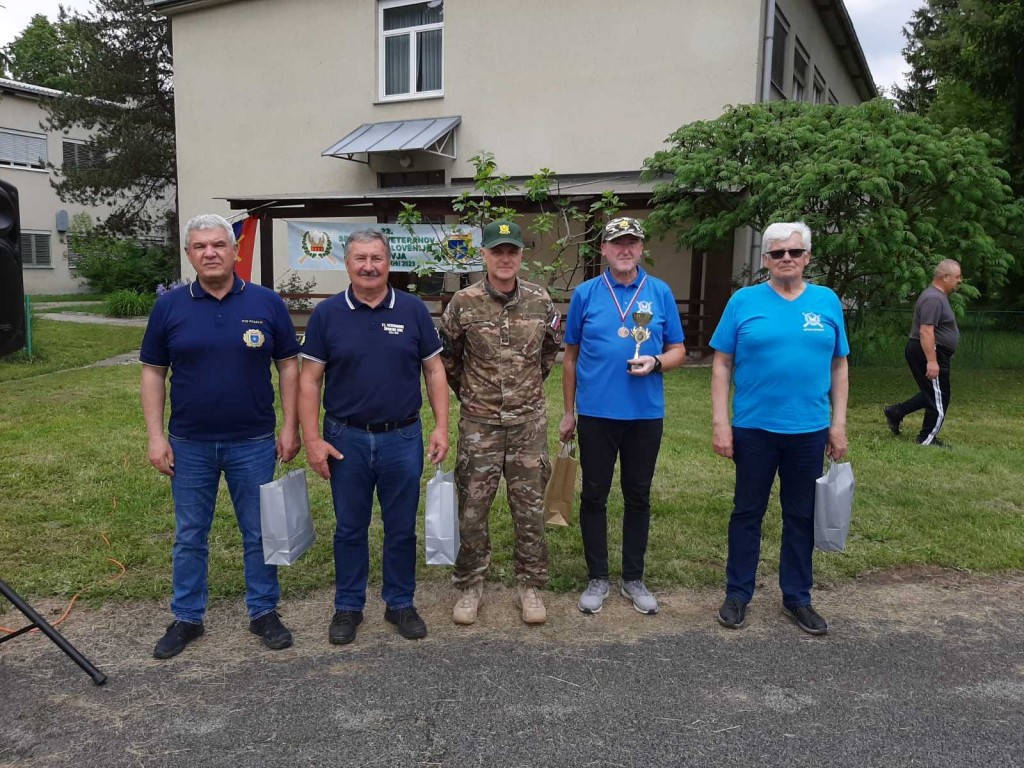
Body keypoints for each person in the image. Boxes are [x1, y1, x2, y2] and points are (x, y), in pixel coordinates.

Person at [141, 213, 300, 659]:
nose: (209, 253)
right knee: (190, 534)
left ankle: (263, 611)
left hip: (253, 441)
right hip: (189, 443)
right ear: (189, 254)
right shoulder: (170, 307)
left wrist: (290, 427)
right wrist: (156, 437)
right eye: (200, 246)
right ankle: (187, 617)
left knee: (259, 531)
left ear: (234, 250)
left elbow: (289, 365)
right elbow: (153, 373)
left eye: (218, 245)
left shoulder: (267, 303)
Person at [298, 230, 449, 645]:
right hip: (345, 438)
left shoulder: (413, 309)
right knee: (350, 528)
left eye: (377, 258)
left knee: (401, 528)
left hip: (402, 437)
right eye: (361, 258)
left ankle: (400, 602)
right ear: (347, 263)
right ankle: (348, 605)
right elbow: (309, 380)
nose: (369, 266)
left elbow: (434, 369)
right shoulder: (327, 314)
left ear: (389, 263)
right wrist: (312, 439)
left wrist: (441, 426)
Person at [710, 221, 848, 636]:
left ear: (807, 257)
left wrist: (838, 424)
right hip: (754, 428)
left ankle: (798, 597)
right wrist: (721, 423)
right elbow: (721, 363)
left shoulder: (827, 301)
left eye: (794, 251)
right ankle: (738, 593)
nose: (786, 258)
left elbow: (839, 365)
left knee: (801, 515)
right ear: (765, 259)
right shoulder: (743, 301)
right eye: (777, 253)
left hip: (808, 428)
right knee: (747, 512)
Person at [559, 216, 687, 616]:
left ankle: (633, 577)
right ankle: (597, 576)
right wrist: (568, 411)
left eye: (632, 242)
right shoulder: (585, 294)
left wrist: (656, 362)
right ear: (603, 250)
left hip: (644, 414)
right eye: (617, 243)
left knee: (638, 495)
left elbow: (679, 350)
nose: (625, 249)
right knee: (593, 494)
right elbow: (570, 357)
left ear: (641, 248)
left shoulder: (659, 292)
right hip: (596, 413)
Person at [438, 220, 562, 626]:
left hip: (528, 425)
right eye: (497, 251)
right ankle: (470, 584)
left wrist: (523, 390)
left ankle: (530, 586)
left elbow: (548, 354)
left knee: (529, 509)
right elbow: (449, 358)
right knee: (473, 509)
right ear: (484, 255)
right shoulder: (463, 303)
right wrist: (475, 394)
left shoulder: (541, 300)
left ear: (521, 255)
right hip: (480, 425)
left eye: (512, 251)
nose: (505, 258)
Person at [884, 259, 963, 447]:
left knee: (934, 393)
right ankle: (926, 439)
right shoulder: (933, 298)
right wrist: (932, 361)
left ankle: (896, 412)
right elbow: (926, 331)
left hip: (934, 351)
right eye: (957, 276)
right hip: (927, 351)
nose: (960, 280)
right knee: (940, 397)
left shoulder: (937, 296)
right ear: (945, 277)